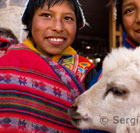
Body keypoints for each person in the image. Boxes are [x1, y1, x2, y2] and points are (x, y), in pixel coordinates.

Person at [0, 0, 96, 132]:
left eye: (68, 18)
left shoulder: (85, 70)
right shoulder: (7, 64)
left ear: (78, 26)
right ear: (29, 21)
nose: (58, 27)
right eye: (46, 15)